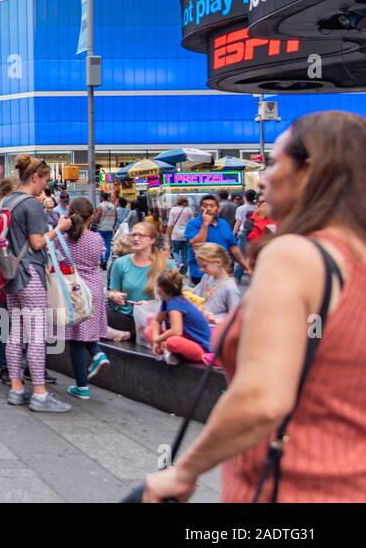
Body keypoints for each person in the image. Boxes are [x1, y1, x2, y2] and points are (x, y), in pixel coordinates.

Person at [143, 112, 366, 503]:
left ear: (310, 170)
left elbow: (262, 399)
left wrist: (184, 471)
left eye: (275, 162)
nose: (262, 179)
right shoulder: (355, 258)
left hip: (297, 485)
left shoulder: (297, 255)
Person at [1, 155, 71, 412]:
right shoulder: (31, 205)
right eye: (46, 180)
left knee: (15, 333)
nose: (46, 186)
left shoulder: (6, 201)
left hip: (10, 273)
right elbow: (37, 242)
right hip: (30, 272)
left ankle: (16, 389)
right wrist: (60, 228)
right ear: (34, 177)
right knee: (37, 335)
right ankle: (40, 393)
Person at [60, 197, 109, 400]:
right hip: (93, 288)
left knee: (76, 339)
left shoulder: (62, 238)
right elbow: (98, 260)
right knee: (86, 333)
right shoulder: (96, 239)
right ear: (92, 217)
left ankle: (83, 386)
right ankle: (97, 354)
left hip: (73, 289)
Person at [107, 222, 173, 334]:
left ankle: (130, 334)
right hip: (126, 316)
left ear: (152, 240)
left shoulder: (167, 264)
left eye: (141, 235)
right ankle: (135, 333)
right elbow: (113, 290)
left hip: (155, 316)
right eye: (133, 235)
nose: (136, 238)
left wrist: (150, 305)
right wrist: (115, 295)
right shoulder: (120, 263)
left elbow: (175, 297)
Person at [146, 267, 212, 365]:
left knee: (173, 341)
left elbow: (176, 331)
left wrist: (158, 339)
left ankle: (169, 350)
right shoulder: (167, 300)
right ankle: (168, 351)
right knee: (149, 330)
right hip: (183, 339)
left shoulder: (175, 303)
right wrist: (156, 339)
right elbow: (157, 321)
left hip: (199, 347)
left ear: (160, 289)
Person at [185, 194, 250, 285]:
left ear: (218, 209)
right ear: (200, 208)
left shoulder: (224, 224)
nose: (208, 209)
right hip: (200, 275)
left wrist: (247, 268)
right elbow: (197, 245)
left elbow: (234, 248)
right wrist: (205, 224)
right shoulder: (193, 224)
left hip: (222, 273)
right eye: (204, 206)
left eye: (212, 206)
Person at [192, 242, 242, 326]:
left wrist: (215, 320)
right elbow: (195, 295)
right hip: (201, 324)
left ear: (218, 262)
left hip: (215, 330)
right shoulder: (206, 278)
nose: (202, 270)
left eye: (204, 266)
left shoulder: (230, 288)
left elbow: (235, 319)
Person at [166, 196, 194, 271]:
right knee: (185, 252)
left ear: (178, 201)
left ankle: (179, 263)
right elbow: (192, 223)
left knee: (175, 251)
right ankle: (184, 271)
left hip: (175, 235)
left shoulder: (173, 210)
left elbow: (170, 224)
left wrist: (167, 234)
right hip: (186, 235)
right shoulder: (189, 210)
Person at [93, 191, 118, 266]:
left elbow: (97, 217)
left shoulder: (100, 206)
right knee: (108, 245)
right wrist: (113, 225)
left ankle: (101, 259)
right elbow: (116, 217)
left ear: (101, 197)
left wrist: (93, 222)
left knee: (99, 245)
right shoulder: (113, 206)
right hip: (109, 228)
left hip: (101, 228)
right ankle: (105, 260)